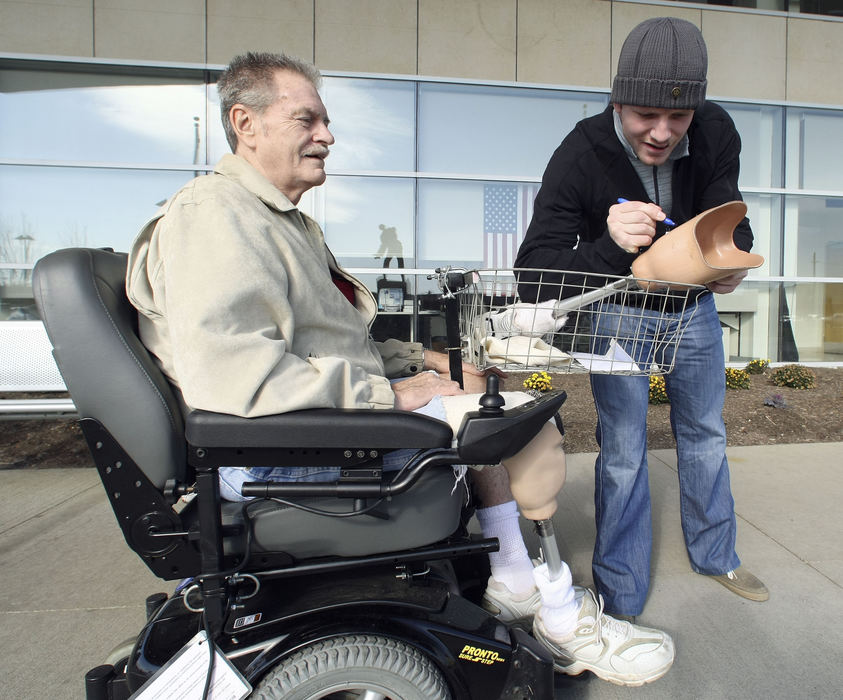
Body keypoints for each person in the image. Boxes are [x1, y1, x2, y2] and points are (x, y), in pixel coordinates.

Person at [126, 51, 675, 685]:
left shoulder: (277, 221)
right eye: (306, 120)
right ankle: (551, 610)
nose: (326, 136)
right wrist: (384, 394)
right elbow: (233, 378)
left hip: (299, 430)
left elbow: (325, 341)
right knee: (522, 427)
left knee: (477, 381)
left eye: (325, 122)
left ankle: (515, 579)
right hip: (273, 455)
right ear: (245, 123)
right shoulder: (215, 218)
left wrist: (428, 363)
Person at [514, 17, 769, 619]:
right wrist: (606, 243)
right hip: (621, 314)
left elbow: (727, 213)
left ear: (696, 109)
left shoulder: (715, 129)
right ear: (617, 99)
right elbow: (534, 272)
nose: (661, 133)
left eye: (677, 118)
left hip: (693, 309)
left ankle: (716, 555)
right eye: (644, 115)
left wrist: (734, 255)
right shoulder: (581, 151)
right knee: (624, 449)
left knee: (705, 436)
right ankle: (620, 592)